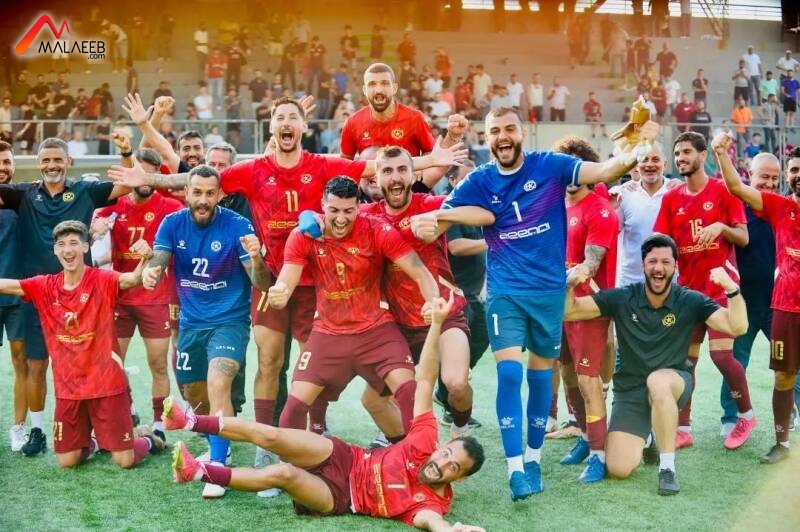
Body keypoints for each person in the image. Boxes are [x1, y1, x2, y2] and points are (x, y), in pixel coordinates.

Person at [106, 96, 465, 483]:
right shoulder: (253, 169)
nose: (287, 123)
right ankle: (267, 444)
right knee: (270, 360)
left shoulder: (322, 165)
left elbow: (375, 167)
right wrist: (150, 179)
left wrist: (432, 159)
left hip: (318, 285)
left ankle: (319, 431)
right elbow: (200, 181)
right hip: (272, 279)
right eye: (280, 117)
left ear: (303, 126)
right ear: (272, 126)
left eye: (294, 117)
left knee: (318, 370)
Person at [408, 106, 660, 501]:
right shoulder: (480, 179)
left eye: (509, 129)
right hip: (505, 293)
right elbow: (442, 216)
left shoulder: (550, 166)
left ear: (522, 132)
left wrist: (637, 146)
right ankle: (515, 471)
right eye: (495, 131)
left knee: (542, 378)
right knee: (510, 375)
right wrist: (430, 222)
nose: (502, 136)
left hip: (548, 294)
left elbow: (605, 170)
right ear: (486, 137)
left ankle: (534, 458)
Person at [164, 291, 486, 531]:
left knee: (284, 474)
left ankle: (197, 472)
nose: (441, 464)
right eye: (446, 454)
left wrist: (450, 530)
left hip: (342, 495)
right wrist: (437, 324)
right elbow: (425, 381)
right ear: (442, 447)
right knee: (273, 435)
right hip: (348, 457)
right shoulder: (425, 441)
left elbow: (431, 521)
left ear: (459, 479)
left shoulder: (433, 503)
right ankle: (188, 420)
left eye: (453, 467)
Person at [564, 234, 748, 495]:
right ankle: (649, 437)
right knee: (618, 468)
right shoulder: (624, 297)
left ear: (675, 266)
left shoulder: (690, 300)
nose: (658, 268)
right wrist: (569, 284)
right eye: (652, 262)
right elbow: (569, 311)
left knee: (658, 381)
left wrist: (732, 290)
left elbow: (737, 326)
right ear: (643, 265)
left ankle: (667, 467)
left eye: (665, 262)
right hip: (630, 390)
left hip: (673, 382)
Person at [268, 175, 439, 439]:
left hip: (377, 331)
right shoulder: (304, 235)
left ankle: (420, 455)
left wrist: (433, 301)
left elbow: (419, 271)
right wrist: (280, 293)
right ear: (323, 205)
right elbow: (286, 280)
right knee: (293, 410)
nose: (341, 218)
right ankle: (291, 463)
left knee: (409, 393)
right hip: (328, 333)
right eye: (334, 210)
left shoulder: (376, 229)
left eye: (348, 211)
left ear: (358, 207)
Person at [0, 137, 132, 457]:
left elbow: (128, 183)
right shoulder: (23, 194)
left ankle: (98, 429)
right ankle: (37, 430)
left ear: (68, 161)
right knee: (36, 365)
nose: (52, 165)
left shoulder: (85, 191)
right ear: (38, 163)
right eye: (46, 160)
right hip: (39, 294)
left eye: (58, 159)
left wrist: (127, 153)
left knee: (90, 363)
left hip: (82, 292)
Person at [143, 164, 270, 498]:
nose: (203, 200)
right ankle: (220, 447)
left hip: (229, 321)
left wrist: (257, 258)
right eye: (196, 192)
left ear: (219, 195)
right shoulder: (172, 223)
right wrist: (151, 272)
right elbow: (159, 259)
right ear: (186, 192)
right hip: (191, 324)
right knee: (194, 394)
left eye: (209, 193)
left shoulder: (238, 225)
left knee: (218, 384)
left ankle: (217, 469)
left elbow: (261, 283)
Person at [0, 220, 164, 468]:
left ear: (86, 247)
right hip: (69, 389)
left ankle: (147, 440)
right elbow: (8, 285)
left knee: (125, 460)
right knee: (68, 461)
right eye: (61, 244)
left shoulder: (102, 279)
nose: (68, 250)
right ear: (55, 250)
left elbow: (132, 279)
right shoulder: (44, 286)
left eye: (74, 243)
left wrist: (146, 258)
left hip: (107, 385)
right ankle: (97, 442)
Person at [358, 147, 485, 442]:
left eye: (402, 170)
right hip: (397, 324)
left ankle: (460, 427)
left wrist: (441, 217)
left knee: (455, 383)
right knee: (373, 401)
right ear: (377, 178)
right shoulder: (366, 215)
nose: (395, 177)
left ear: (413, 175)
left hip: (444, 312)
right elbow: (324, 215)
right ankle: (408, 449)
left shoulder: (429, 204)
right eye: (387, 171)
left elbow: (484, 212)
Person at [653, 132, 755, 448]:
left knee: (722, 356)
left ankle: (746, 416)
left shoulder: (724, 190)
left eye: (686, 152)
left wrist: (721, 227)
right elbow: (662, 244)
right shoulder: (671, 199)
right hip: (688, 293)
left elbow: (743, 237)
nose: (681, 159)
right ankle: (683, 429)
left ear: (702, 155)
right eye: (677, 154)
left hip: (720, 289)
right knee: (685, 362)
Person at [715, 139, 800, 464]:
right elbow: (734, 187)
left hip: (775, 302)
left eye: (775, 177)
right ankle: (740, 421)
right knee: (755, 367)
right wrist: (720, 153)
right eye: (794, 170)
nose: (770, 182)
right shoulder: (773, 207)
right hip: (767, 306)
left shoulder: (775, 205)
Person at [92, 149, 183, 440]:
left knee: (158, 363)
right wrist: (95, 229)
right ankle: (128, 408)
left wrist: (154, 254)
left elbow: (179, 248)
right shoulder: (112, 206)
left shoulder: (170, 207)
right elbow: (90, 231)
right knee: (113, 362)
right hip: (120, 296)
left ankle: (159, 424)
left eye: (150, 172)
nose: (144, 177)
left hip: (155, 297)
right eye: (139, 170)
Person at [555, 136, 619, 483]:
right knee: (566, 373)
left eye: (576, 168)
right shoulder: (555, 206)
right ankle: (584, 434)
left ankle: (598, 454)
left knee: (587, 380)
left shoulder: (600, 210)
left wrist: (565, 277)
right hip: (557, 305)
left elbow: (589, 266)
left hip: (588, 306)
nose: (569, 175)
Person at [339, 63, 467, 191]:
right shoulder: (352, 123)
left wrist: (420, 167)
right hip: (371, 191)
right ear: (364, 90)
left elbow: (432, 155)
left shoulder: (414, 118)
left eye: (385, 83)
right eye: (372, 84)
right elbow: (345, 165)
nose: (378, 90)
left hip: (407, 189)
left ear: (394, 88)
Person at [438, 161, 487, 429]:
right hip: (454, 290)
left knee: (482, 336)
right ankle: (450, 404)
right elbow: (455, 246)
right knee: (460, 345)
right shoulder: (450, 207)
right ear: (453, 181)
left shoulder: (477, 206)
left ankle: (445, 390)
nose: (474, 183)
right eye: (468, 178)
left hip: (474, 290)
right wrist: (493, 241)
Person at [614, 143, 674, 288]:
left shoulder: (676, 191)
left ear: (665, 164)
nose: (649, 164)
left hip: (668, 282)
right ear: (636, 165)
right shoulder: (623, 194)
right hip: (630, 282)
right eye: (644, 160)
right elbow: (610, 233)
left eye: (655, 159)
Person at [0, 141, 27, 451]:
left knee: (22, 363)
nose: (2, 168)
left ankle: (19, 428)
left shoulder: (24, 198)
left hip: (19, 296)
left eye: (7, 162)